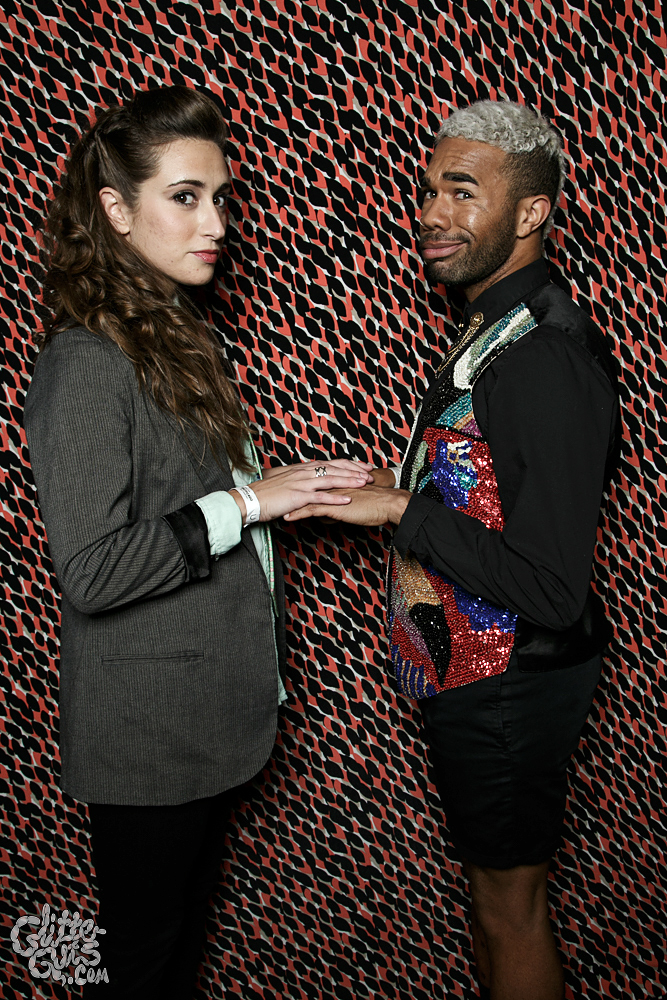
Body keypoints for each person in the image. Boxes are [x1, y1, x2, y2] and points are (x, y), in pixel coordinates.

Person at [23, 86, 373, 999]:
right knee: (142, 968)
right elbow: (92, 571)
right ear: (115, 210)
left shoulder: (171, 337)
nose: (216, 222)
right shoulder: (86, 359)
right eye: (185, 197)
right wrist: (249, 501)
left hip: (202, 724)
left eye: (220, 197)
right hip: (147, 737)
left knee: (172, 961)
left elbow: (188, 503)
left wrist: (287, 491)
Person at [287, 101, 620, 1000]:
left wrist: (400, 508)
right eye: (430, 188)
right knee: (489, 902)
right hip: (472, 674)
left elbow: (551, 589)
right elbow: (486, 492)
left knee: (509, 911)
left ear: (531, 212)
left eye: (462, 191)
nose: (431, 212)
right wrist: (375, 489)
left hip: (509, 683)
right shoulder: (494, 324)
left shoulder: (542, 355)